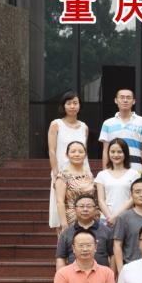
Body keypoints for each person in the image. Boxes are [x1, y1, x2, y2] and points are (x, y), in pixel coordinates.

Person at [48, 91, 89, 229]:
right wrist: (55, 173)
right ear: (63, 106)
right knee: (60, 208)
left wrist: (88, 174)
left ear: (80, 105)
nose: (72, 106)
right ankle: (62, 240)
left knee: (82, 207)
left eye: (75, 103)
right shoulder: (56, 124)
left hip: (81, 174)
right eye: (69, 103)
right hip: (62, 173)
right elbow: (52, 150)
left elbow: (85, 153)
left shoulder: (84, 127)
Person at [56, 195, 115, 270]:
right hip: (74, 275)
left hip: (101, 275)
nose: (85, 209)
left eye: (89, 206)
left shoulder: (107, 231)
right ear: (75, 209)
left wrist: (111, 274)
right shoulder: (66, 233)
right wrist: (61, 276)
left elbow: (113, 255)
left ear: (95, 209)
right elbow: (60, 258)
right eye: (81, 206)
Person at [99, 88, 142, 168]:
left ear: (134, 101)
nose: (125, 100)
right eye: (122, 97)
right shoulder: (107, 123)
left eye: (128, 98)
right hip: (114, 170)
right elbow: (105, 150)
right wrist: (105, 171)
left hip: (137, 169)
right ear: (116, 100)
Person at [95, 138, 141, 228]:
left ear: (125, 153)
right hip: (106, 219)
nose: (116, 155)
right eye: (112, 152)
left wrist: (115, 216)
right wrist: (109, 217)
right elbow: (101, 200)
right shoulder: (102, 174)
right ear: (108, 153)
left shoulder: (134, 174)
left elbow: (133, 199)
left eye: (119, 152)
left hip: (127, 218)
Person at [54, 141, 95, 231]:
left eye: (80, 152)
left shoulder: (89, 174)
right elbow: (60, 202)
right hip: (72, 218)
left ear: (85, 155)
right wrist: (64, 224)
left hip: (90, 217)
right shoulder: (63, 176)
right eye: (73, 152)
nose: (77, 154)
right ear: (67, 155)